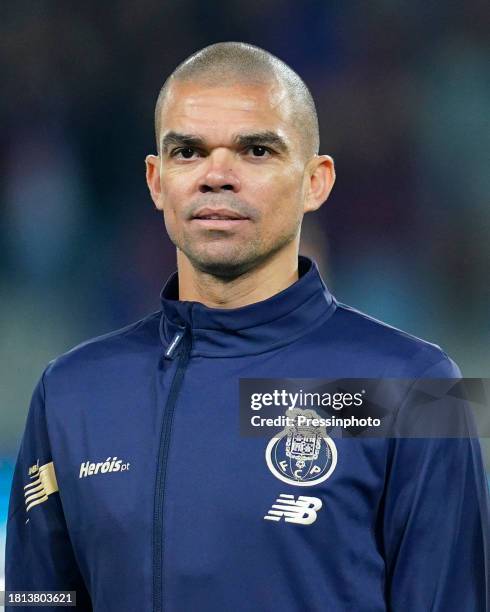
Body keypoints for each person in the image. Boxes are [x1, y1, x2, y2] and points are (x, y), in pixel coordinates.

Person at [5, 42, 489, 612]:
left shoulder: (417, 387)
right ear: (156, 181)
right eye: (187, 152)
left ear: (316, 181)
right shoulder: (72, 391)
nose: (216, 175)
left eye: (255, 150)